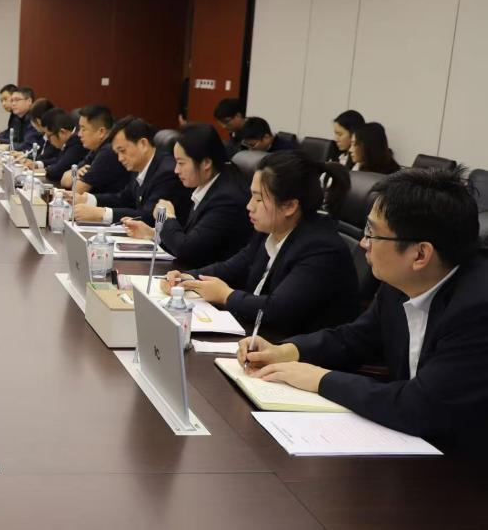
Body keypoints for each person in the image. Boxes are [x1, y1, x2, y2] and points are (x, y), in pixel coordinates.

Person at [239, 167, 488, 454]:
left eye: (372, 233)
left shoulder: (477, 310)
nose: (363, 243)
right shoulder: (402, 281)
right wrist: (286, 351)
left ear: (420, 254)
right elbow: (356, 338)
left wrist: (320, 379)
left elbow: (420, 407)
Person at [163, 150, 358, 339]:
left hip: (293, 349)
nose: (249, 206)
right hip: (259, 335)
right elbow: (232, 268)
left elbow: (278, 310)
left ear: (290, 206)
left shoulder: (321, 248)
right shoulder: (271, 229)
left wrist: (226, 296)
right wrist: (188, 278)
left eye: (258, 198)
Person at [122, 123, 254, 268]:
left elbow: (187, 251)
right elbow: (191, 239)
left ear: (206, 163)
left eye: (181, 163)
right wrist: (154, 234)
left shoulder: (226, 198)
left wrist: (166, 217)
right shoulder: (208, 184)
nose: (176, 170)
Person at [72, 117, 192, 225]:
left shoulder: (167, 173)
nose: (120, 158)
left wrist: (102, 214)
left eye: (122, 151)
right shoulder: (138, 167)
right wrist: (87, 199)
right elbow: (123, 199)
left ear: (143, 144)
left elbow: (150, 217)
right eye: (117, 153)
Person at [59, 104, 127, 195]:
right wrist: (76, 173)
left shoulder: (108, 151)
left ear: (101, 132)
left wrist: (74, 176)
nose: (79, 134)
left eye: (83, 129)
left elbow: (77, 190)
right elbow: (64, 180)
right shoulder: (96, 148)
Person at [40, 108, 88, 186]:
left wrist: (45, 170)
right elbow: (59, 161)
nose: (48, 140)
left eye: (49, 136)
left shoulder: (77, 142)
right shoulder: (70, 141)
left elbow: (57, 171)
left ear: (62, 132)